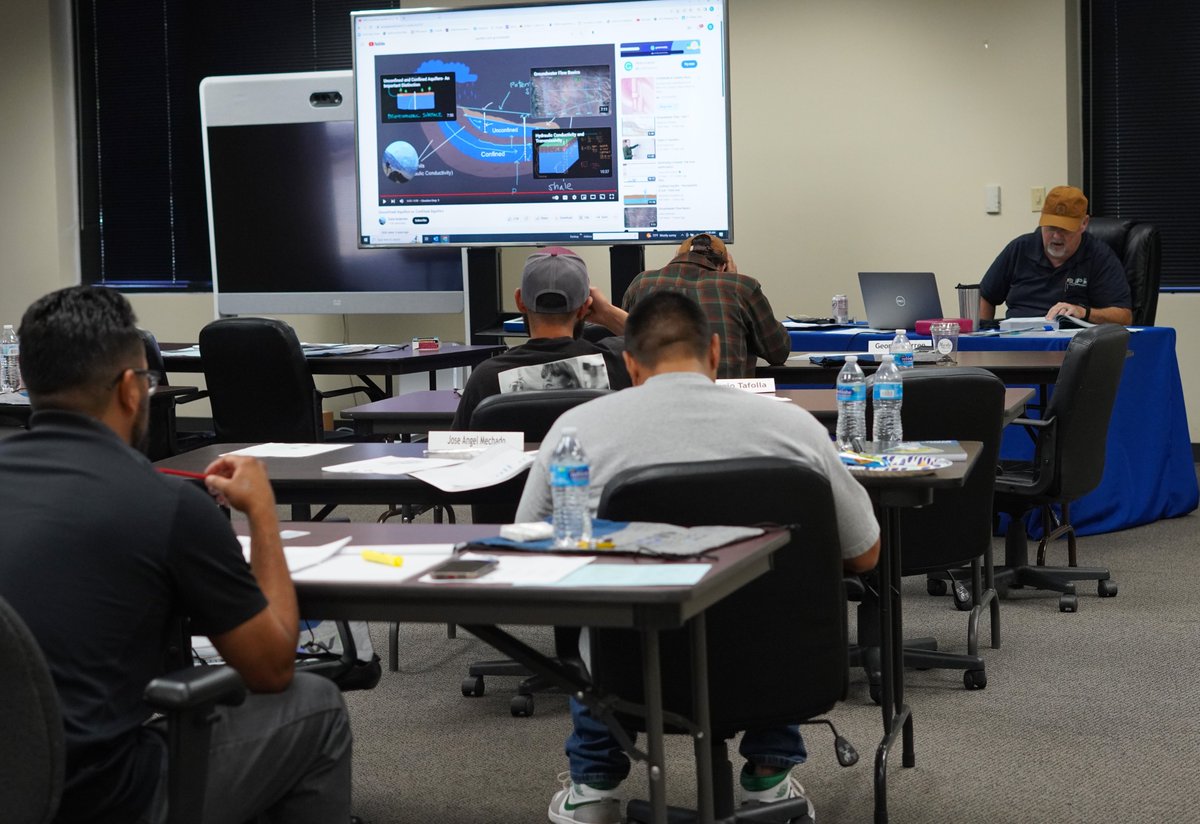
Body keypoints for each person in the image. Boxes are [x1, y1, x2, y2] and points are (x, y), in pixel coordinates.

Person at [515, 291, 880, 824]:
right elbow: (865, 555)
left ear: (631, 364)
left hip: (634, 667)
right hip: (778, 664)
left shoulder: (575, 431)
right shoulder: (794, 428)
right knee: (779, 595)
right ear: (713, 353)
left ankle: (594, 787)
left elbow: (531, 550)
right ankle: (770, 777)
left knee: (599, 615)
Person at [0, 286, 353, 824]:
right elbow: (271, 668)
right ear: (130, 389)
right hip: (105, 797)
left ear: (27, 383)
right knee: (315, 705)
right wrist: (262, 514)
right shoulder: (165, 504)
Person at [451, 246, 632, 429]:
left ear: (520, 301)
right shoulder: (622, 360)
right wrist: (608, 313)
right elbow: (650, 340)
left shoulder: (486, 378)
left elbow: (456, 445)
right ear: (585, 307)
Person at [621, 233, 791, 378]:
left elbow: (622, 341)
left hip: (655, 397)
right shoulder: (742, 287)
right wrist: (733, 279)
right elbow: (778, 352)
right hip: (727, 400)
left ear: (677, 257)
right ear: (724, 265)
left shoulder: (641, 283)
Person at [979, 185, 1133, 324]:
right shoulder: (1020, 248)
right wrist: (982, 335)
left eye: (1065, 229)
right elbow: (986, 297)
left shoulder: (1099, 256)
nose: (1056, 236)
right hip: (1017, 339)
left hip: (1072, 342)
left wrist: (1084, 312)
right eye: (1051, 227)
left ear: (1084, 223)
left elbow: (1124, 317)